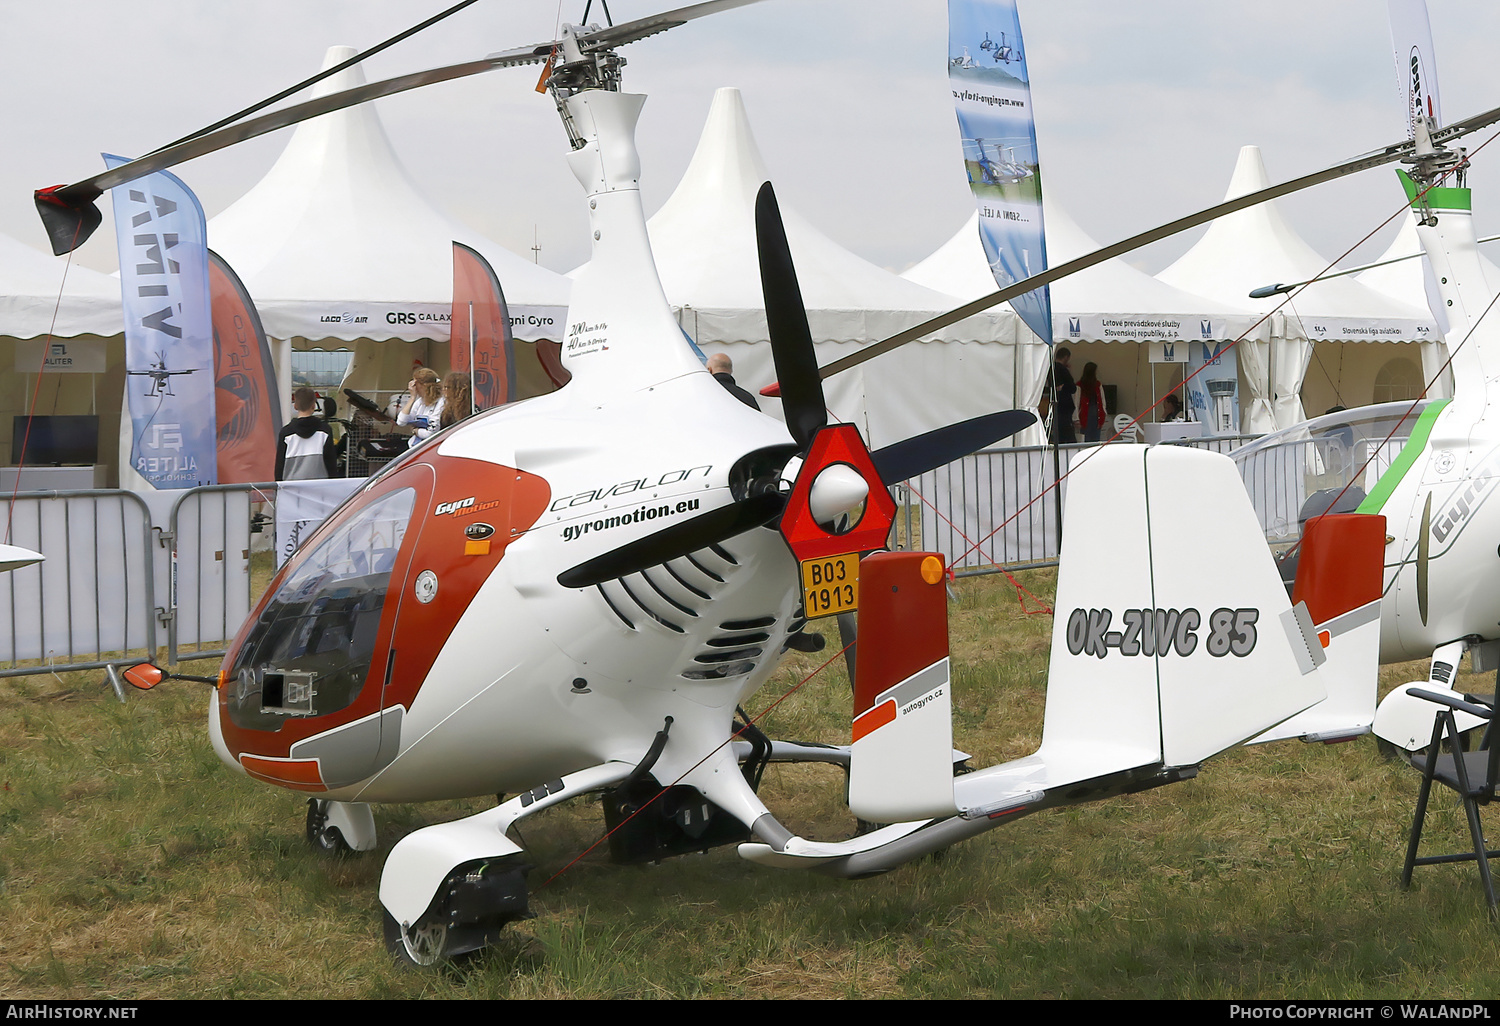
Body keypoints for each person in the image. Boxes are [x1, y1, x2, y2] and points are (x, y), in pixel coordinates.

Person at [275, 386, 338, 480]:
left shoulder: (286, 433)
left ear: (295, 406)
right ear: (313, 406)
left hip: (291, 489)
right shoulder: (325, 431)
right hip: (319, 488)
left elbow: (280, 466)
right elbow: (331, 463)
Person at [397, 367, 445, 449]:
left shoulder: (441, 402)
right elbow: (401, 421)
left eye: (415, 384)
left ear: (423, 386)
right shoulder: (419, 402)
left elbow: (432, 432)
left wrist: (416, 431)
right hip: (415, 446)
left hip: (431, 447)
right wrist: (412, 398)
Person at [1050, 346, 1076, 444]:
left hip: (1052, 404)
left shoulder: (1050, 368)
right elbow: (1073, 388)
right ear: (1066, 357)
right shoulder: (1063, 370)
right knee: (1068, 434)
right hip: (1065, 406)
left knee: (1057, 433)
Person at [1077, 362, 1107, 443]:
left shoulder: (1098, 384)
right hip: (1085, 415)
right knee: (1085, 438)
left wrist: (1103, 413)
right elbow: (1076, 403)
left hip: (1096, 415)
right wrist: (1076, 418)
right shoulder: (1079, 385)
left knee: (1096, 439)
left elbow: (1102, 400)